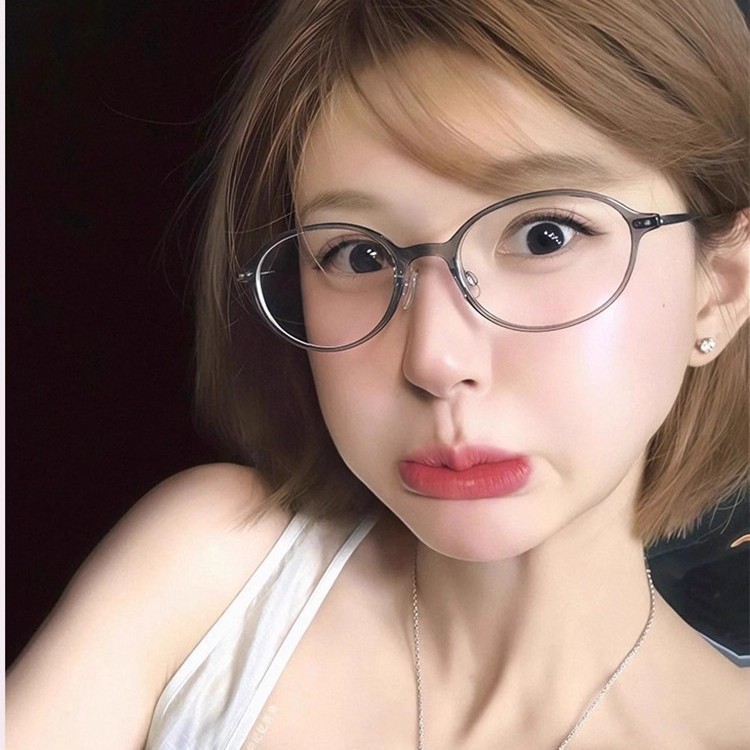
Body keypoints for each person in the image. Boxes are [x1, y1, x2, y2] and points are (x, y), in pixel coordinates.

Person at [7, 0, 750, 747]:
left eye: (544, 236)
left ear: (720, 285)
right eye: (358, 255)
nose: (434, 359)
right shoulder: (218, 580)